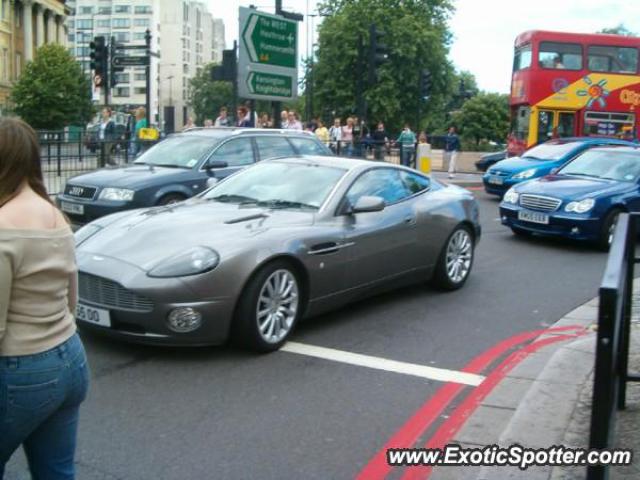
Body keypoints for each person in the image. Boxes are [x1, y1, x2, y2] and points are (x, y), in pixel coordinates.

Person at [0, 117, 89, 479]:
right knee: (56, 471)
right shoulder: (55, 215)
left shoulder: (3, 225)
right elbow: (72, 299)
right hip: (71, 357)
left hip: (22, 367)